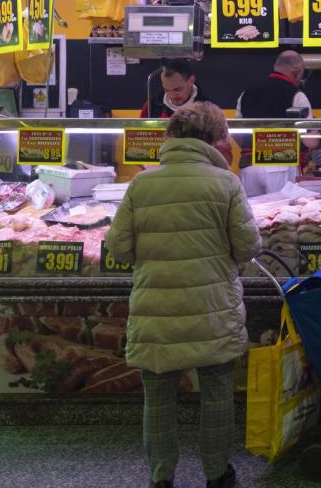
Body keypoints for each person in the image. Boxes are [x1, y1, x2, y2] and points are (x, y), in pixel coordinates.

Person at [105, 101, 261, 488]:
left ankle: (161, 477)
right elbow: (248, 248)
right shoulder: (225, 183)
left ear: (172, 136)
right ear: (217, 139)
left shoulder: (142, 182)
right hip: (212, 310)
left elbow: (118, 248)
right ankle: (217, 473)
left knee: (157, 399)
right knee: (217, 396)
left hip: (155, 309)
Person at [235, 50, 312, 196]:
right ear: (297, 72)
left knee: (254, 215)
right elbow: (310, 141)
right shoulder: (297, 95)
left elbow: (237, 131)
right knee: (281, 213)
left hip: (249, 166)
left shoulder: (247, 92)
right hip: (280, 164)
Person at [140, 59, 208, 118]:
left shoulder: (209, 110)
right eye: (166, 90)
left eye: (177, 89)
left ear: (191, 81)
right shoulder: (151, 106)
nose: (172, 95)